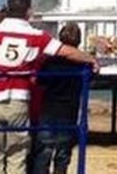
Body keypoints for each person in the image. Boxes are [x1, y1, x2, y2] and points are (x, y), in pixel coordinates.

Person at [0, 0, 98, 174]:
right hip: (18, 100)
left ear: (8, 9)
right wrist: (90, 59)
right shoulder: (35, 35)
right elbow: (66, 51)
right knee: (16, 155)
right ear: (28, 11)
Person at [30, 23, 85, 174]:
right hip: (69, 111)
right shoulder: (82, 64)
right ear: (79, 41)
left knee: (43, 152)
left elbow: (39, 82)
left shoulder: (50, 61)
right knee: (63, 153)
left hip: (48, 109)